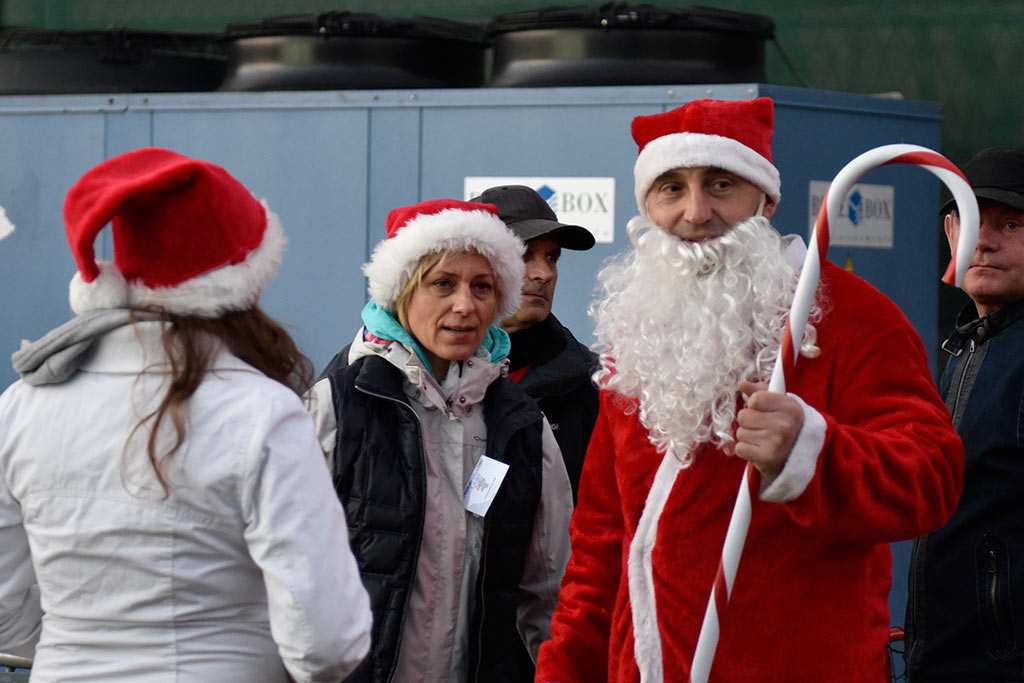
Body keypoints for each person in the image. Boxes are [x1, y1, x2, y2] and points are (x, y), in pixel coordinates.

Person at [534, 97, 964, 682]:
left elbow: (932, 478)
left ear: (766, 199)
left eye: (720, 185)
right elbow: (600, 546)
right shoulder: (637, 334)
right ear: (647, 206)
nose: (695, 213)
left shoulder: (852, 316)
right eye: (671, 189)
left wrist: (812, 450)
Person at [0, 148, 372, 682]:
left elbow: (4, 610)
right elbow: (327, 641)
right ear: (242, 283)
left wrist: (82, 645)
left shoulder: (22, 405)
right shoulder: (263, 413)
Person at [308, 198, 573, 683]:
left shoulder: (521, 426)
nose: (465, 306)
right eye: (443, 284)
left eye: (482, 286)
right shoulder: (339, 405)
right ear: (401, 291)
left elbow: (553, 594)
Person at [905, 147, 1024, 682]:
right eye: (971, 220)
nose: (984, 241)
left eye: (1011, 224)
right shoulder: (966, 346)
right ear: (951, 233)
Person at [470, 185, 599, 499]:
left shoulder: (592, 383)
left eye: (552, 257)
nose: (544, 273)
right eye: (524, 255)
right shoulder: (414, 372)